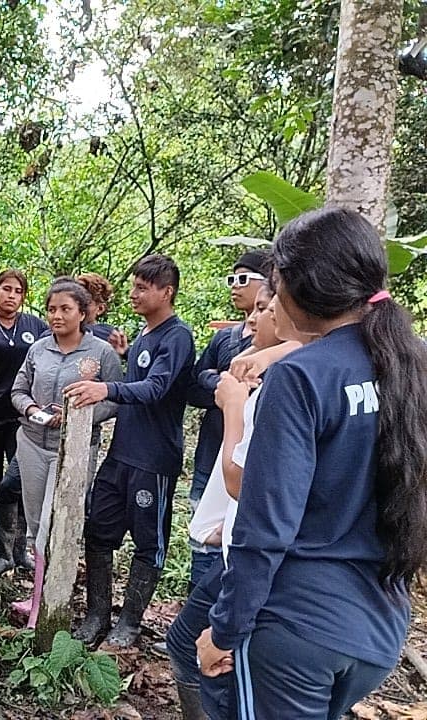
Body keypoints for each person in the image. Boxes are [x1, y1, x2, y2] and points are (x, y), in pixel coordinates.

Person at [197, 208, 427, 719]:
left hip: (296, 630)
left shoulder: (302, 377)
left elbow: (266, 523)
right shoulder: (413, 365)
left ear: (305, 289)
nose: (271, 305)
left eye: (276, 290)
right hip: (379, 629)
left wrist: (225, 629)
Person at [167, 282, 305, 720]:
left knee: (210, 657)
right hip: (237, 543)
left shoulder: (282, 389)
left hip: (255, 556)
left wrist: (232, 406)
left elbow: (241, 480)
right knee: (191, 646)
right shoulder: (285, 373)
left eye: (266, 309)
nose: (253, 318)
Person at [67, 254, 195, 648]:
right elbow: (143, 377)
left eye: (143, 287)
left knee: (148, 543)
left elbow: (157, 388)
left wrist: (107, 388)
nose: (134, 293)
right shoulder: (145, 335)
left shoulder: (177, 336)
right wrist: (125, 358)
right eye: (134, 285)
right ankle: (97, 614)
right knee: (98, 532)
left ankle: (131, 622)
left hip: (153, 460)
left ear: (166, 292)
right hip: (121, 454)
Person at [9, 278, 122, 626]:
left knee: (61, 524)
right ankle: (37, 596)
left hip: (73, 452)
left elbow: (115, 399)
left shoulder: (100, 352)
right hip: (31, 443)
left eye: (65, 309)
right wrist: (30, 409)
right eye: (52, 309)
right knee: (36, 524)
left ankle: (55, 602)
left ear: (83, 312)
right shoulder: (38, 349)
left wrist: (75, 418)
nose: (57, 316)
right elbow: (18, 389)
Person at [185, 250, 269, 588]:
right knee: (201, 536)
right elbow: (194, 385)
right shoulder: (225, 338)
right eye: (231, 279)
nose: (235, 287)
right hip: (212, 454)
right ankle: (193, 617)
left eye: (243, 279)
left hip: (249, 466)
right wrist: (222, 383)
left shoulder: (288, 352)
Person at [0, 269, 47, 569]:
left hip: (22, 420)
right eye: (6, 289)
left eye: (17, 291)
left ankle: (18, 549)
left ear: (24, 297)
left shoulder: (35, 326)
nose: (11, 295)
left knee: (21, 483)